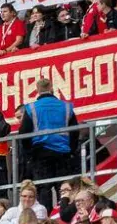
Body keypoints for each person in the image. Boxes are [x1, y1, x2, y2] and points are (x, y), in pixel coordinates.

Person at [17, 78, 80, 207]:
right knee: (63, 188)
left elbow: (23, 133)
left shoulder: (31, 108)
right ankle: (62, 215)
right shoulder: (66, 106)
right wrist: (71, 150)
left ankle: (46, 220)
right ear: (51, 88)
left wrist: (29, 152)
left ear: (38, 90)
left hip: (40, 154)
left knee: (43, 189)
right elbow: (75, 131)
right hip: (63, 153)